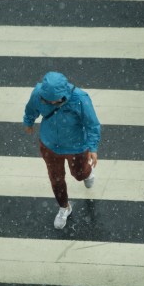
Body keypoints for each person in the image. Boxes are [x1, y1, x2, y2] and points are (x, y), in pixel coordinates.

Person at [23, 71, 101, 229]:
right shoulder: (38, 93)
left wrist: (92, 147)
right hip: (49, 145)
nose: (51, 104)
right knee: (56, 178)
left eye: (55, 102)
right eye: (47, 101)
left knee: (79, 175)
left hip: (76, 146)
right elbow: (31, 108)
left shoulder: (80, 98)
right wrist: (28, 121)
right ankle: (64, 207)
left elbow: (92, 124)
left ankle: (87, 172)